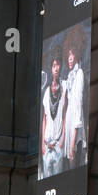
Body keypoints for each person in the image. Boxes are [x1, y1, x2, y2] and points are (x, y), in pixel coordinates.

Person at [39, 50, 67, 178]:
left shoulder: (64, 87)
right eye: (54, 65)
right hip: (46, 145)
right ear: (51, 68)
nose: (56, 68)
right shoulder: (46, 92)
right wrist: (42, 145)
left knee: (57, 183)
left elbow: (65, 115)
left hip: (57, 145)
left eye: (58, 65)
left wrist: (62, 141)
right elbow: (44, 119)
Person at [63, 29, 87, 167]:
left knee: (74, 163)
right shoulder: (70, 76)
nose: (69, 58)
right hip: (69, 128)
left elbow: (77, 106)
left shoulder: (79, 74)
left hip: (75, 131)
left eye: (72, 54)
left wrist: (72, 141)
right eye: (68, 54)